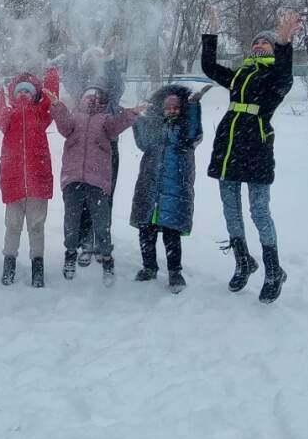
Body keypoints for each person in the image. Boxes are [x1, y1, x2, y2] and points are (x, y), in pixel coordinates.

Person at [201, 6, 300, 300]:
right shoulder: (239, 76)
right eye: (256, 42)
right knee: (231, 210)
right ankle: (243, 261)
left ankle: (273, 270)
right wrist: (212, 32)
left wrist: (284, 43)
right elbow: (209, 67)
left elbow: (285, 73)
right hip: (228, 148)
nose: (259, 45)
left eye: (265, 42)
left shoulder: (276, 77)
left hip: (255, 148)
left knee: (259, 211)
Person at [50, 86, 146, 283]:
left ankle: (107, 260)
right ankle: (70, 254)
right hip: (73, 178)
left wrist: (132, 113)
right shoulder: (74, 117)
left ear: (102, 103)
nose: (92, 101)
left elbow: (117, 125)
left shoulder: (105, 121)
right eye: (88, 98)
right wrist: (57, 106)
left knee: (101, 223)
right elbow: (64, 127)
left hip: (97, 180)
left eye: (96, 99)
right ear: (81, 100)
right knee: (71, 221)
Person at [129, 83, 208, 293]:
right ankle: (149, 267)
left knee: (171, 233)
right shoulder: (154, 126)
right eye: (168, 107)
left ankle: (175, 273)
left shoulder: (185, 131)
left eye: (176, 107)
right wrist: (137, 118)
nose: (172, 110)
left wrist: (192, 107)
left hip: (175, 189)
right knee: (146, 230)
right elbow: (143, 143)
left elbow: (193, 134)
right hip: (149, 186)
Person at [0, 66, 61, 288]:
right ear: (14, 94)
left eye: (28, 91)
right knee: (12, 225)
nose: (23, 94)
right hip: (13, 183)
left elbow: (50, 99)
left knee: (36, 226)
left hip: (38, 182)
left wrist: (51, 72)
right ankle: (8, 264)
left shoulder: (41, 114)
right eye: (20, 91)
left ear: (34, 95)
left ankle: (37, 267)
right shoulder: (8, 116)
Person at [60, 45, 126, 266]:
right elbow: (69, 79)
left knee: (103, 198)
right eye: (91, 59)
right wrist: (71, 53)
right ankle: (86, 241)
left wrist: (109, 59)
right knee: (83, 198)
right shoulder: (82, 91)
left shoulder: (110, 92)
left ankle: (100, 241)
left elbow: (118, 85)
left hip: (106, 148)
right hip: (81, 153)